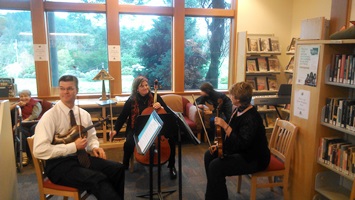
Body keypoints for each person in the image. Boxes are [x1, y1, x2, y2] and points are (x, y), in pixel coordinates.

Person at [33, 75, 125, 200]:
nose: (65, 92)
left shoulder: (84, 114)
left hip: (81, 159)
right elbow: (39, 150)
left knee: (117, 169)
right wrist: (73, 147)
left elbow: (92, 137)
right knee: (98, 179)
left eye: (70, 88)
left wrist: (94, 147)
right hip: (58, 165)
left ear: (77, 90)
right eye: (62, 88)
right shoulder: (49, 116)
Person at [204, 81, 270, 200]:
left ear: (238, 100)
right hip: (243, 152)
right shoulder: (238, 110)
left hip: (254, 158)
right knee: (209, 155)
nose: (230, 97)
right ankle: (212, 196)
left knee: (216, 166)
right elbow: (233, 138)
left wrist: (225, 126)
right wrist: (220, 146)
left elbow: (241, 143)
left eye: (232, 95)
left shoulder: (251, 117)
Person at [109, 76, 177, 179]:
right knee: (129, 143)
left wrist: (161, 107)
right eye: (142, 86)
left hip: (154, 128)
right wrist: (115, 130)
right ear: (136, 88)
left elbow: (167, 110)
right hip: (136, 128)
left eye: (146, 85)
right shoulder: (131, 100)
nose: (145, 88)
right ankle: (125, 164)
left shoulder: (155, 97)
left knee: (171, 139)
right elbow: (122, 117)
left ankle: (171, 166)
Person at [10, 89, 42, 166]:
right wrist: (17, 104)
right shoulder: (18, 105)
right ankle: (24, 156)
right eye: (21, 96)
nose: (23, 98)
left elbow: (35, 115)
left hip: (34, 123)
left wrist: (21, 122)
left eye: (26, 96)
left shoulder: (36, 103)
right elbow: (6, 110)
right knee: (19, 131)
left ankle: (38, 155)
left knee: (34, 129)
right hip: (23, 126)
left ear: (30, 96)